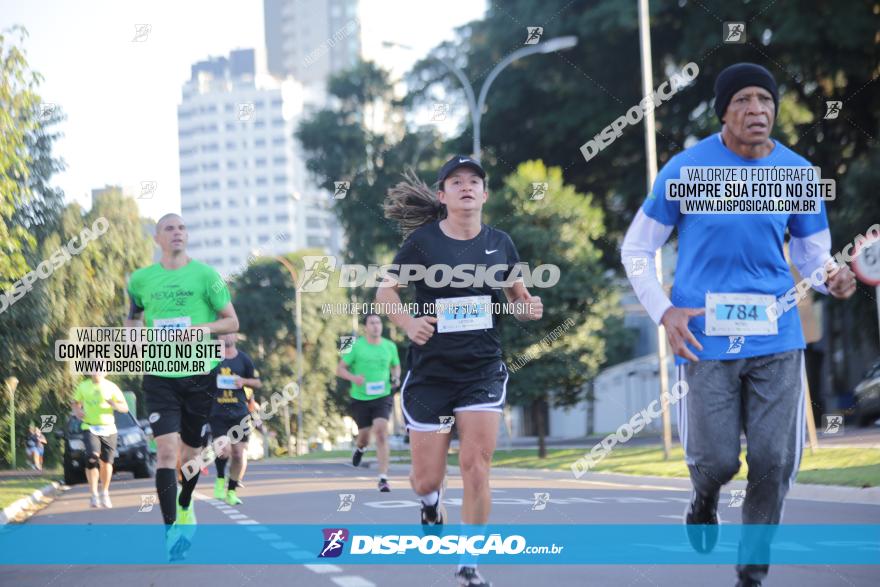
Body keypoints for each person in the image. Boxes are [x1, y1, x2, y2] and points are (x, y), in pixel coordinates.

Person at [621, 63, 856, 587]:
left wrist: (834, 280)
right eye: (744, 101)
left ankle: (752, 568)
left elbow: (813, 255)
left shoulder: (796, 174)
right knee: (717, 460)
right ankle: (703, 500)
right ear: (723, 112)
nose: (758, 110)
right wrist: (664, 310)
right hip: (705, 337)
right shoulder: (687, 171)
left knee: (774, 459)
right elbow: (637, 248)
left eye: (765, 100)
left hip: (777, 336)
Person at [378, 157, 543, 587]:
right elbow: (385, 292)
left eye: (474, 182)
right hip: (430, 373)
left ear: (485, 195)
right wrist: (408, 323)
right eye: (456, 181)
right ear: (442, 195)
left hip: (482, 370)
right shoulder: (422, 244)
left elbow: (518, 295)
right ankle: (431, 504)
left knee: (476, 465)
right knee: (424, 478)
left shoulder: (501, 243)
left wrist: (528, 308)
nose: (466, 187)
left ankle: (468, 560)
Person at [125, 213, 239, 558]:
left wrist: (200, 329)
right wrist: (134, 341)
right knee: (166, 452)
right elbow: (133, 317)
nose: (177, 233)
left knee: (190, 456)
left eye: (182, 228)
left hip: (199, 375)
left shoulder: (207, 276)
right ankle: (171, 530)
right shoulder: (141, 279)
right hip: (160, 374)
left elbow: (232, 320)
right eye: (169, 228)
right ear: (157, 238)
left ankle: (186, 502)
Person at [336, 313, 401, 492]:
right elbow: (340, 369)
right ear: (366, 327)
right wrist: (354, 378)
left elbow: (396, 365)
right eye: (372, 323)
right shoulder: (355, 347)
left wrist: (396, 377)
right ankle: (360, 448)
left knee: (381, 432)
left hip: (383, 395)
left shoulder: (389, 346)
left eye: (378, 322)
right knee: (364, 436)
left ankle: (383, 478)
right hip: (360, 398)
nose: (376, 326)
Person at [211, 332, 261, 505]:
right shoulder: (211, 357)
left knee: (239, 454)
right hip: (217, 412)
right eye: (223, 334)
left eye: (230, 334)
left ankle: (231, 491)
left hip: (239, 413)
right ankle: (219, 479)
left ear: (235, 337)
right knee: (224, 450)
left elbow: (257, 383)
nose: (227, 337)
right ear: (219, 337)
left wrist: (243, 381)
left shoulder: (244, 359)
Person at [71, 373, 129, 508]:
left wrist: (114, 404)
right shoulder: (83, 386)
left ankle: (105, 492)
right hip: (90, 427)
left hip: (109, 429)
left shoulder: (112, 387)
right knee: (92, 457)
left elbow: (125, 408)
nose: (97, 371)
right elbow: (75, 402)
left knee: (106, 463)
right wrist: (77, 411)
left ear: (105, 371)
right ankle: (94, 494)